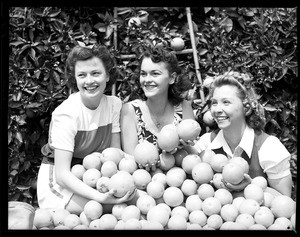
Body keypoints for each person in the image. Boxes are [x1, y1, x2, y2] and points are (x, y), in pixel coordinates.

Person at [37, 44, 135, 215]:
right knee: (106, 209)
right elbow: (62, 175)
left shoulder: (114, 105)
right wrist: (99, 197)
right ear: (75, 79)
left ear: (107, 75)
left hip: (92, 176)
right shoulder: (66, 114)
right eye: (82, 75)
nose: (89, 81)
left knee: (132, 199)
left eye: (95, 73)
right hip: (59, 182)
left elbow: (113, 154)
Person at [194, 71, 292, 197]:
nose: (217, 110)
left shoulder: (269, 147)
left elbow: (285, 202)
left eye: (226, 102)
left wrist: (251, 185)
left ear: (246, 107)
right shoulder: (206, 143)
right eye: (214, 102)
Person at [120, 47, 197, 171]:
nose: (147, 80)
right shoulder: (130, 110)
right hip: (145, 184)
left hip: (180, 182)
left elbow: (193, 158)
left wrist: (186, 146)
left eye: (155, 74)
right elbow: (130, 164)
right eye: (143, 74)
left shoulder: (183, 107)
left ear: (172, 78)